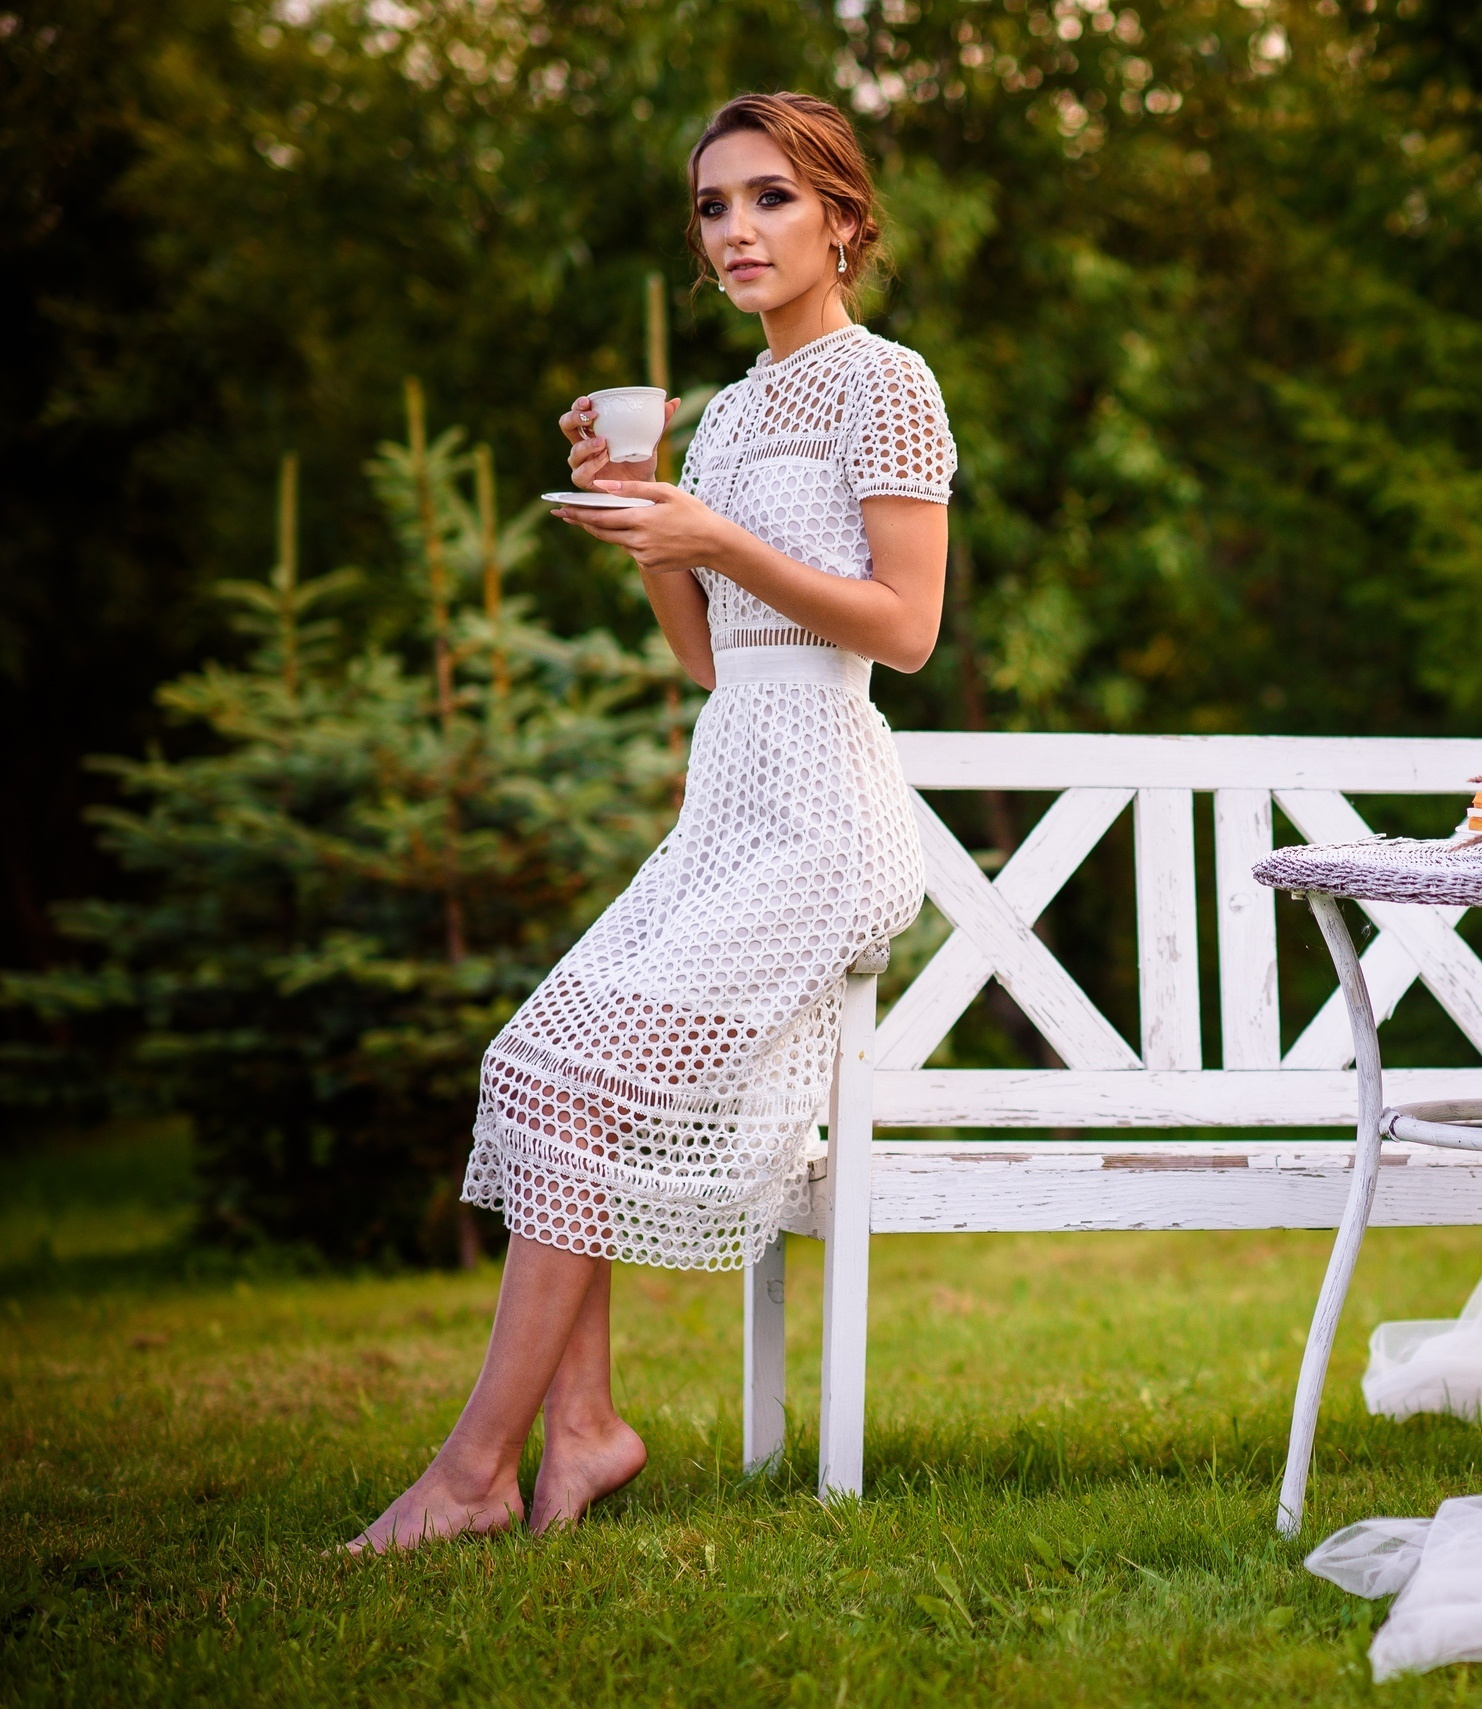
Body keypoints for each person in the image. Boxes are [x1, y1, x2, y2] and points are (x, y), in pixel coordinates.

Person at [350, 91, 952, 1551]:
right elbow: (705, 651)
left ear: (843, 222)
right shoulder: (732, 410)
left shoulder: (891, 384)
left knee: (588, 1072)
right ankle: (588, 1430)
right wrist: (643, 511)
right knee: (542, 1069)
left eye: (770, 199)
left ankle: (472, 1472)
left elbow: (908, 630)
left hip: (826, 820)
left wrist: (716, 532)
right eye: (712, 206)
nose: (735, 230)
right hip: (727, 794)